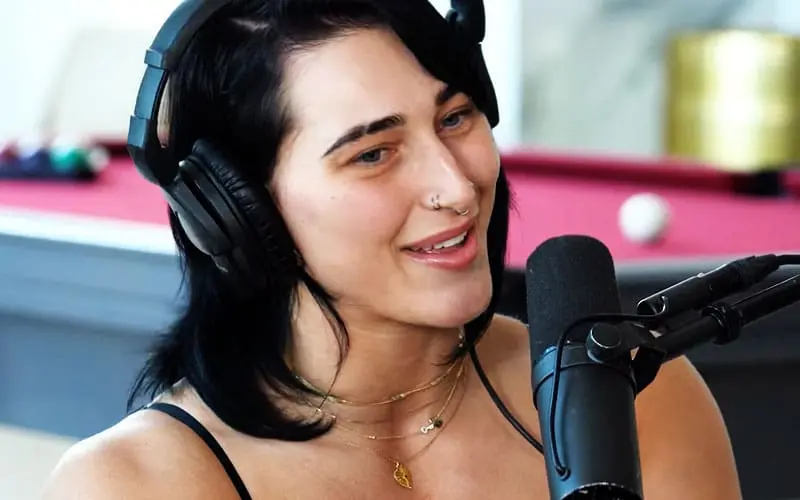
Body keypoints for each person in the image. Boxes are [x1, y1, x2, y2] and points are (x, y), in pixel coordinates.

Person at [42, 0, 741, 498]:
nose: (456, 187)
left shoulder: (639, 398)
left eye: (456, 117)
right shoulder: (133, 485)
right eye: (373, 153)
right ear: (236, 212)